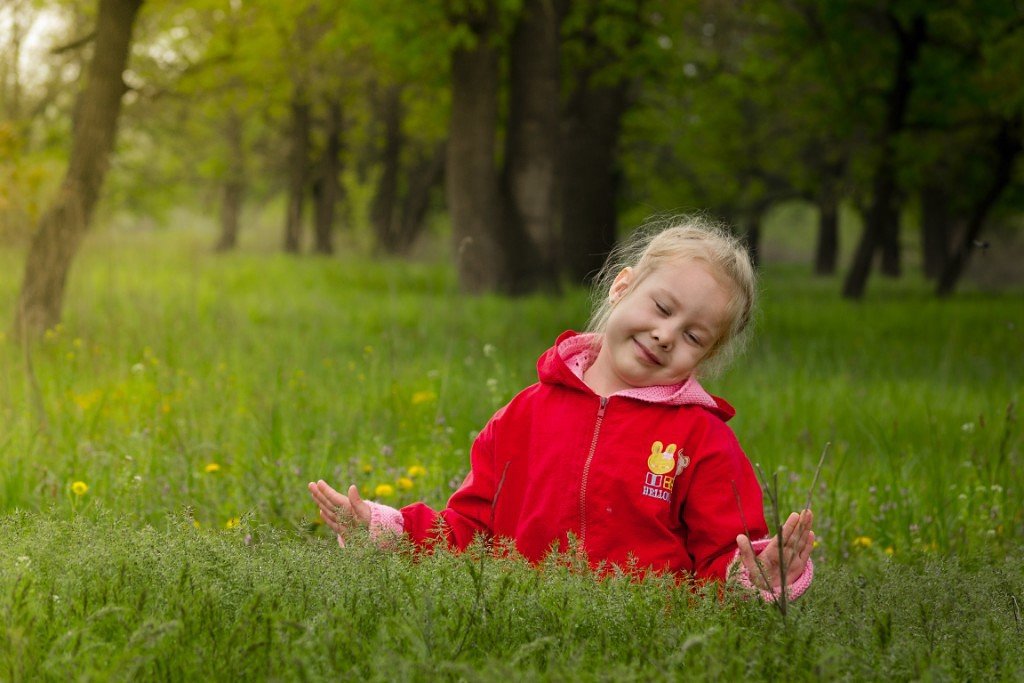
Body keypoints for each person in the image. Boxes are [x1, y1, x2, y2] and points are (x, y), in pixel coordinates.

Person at [309, 217, 814, 600]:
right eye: (662, 308)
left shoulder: (702, 439)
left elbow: (726, 553)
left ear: (705, 356)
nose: (665, 335)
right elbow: (471, 530)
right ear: (622, 287)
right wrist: (389, 530)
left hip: (647, 644)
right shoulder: (525, 414)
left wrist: (758, 574)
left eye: (693, 335)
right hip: (524, 628)